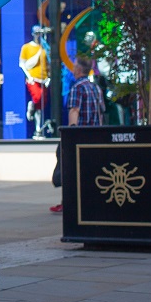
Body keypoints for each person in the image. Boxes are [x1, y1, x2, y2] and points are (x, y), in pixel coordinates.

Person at [51, 55, 107, 213]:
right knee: (89, 170)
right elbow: (101, 113)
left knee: (72, 170)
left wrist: (71, 134)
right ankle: (89, 201)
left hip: (80, 136)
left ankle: (69, 202)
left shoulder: (77, 88)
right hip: (94, 136)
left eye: (74, 66)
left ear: (78, 69)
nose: (73, 69)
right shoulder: (96, 88)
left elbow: (74, 111)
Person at [18, 25, 49, 138]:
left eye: (39, 33)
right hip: (33, 78)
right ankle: (31, 105)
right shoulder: (26, 47)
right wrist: (29, 76)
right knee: (37, 97)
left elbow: (48, 63)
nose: (38, 36)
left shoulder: (45, 48)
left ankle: (38, 129)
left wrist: (49, 77)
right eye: (36, 33)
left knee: (40, 106)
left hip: (44, 79)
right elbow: (22, 64)